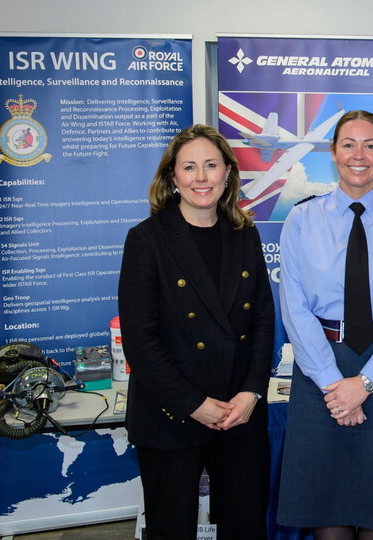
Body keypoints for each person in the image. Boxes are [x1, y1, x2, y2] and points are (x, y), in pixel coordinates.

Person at [276, 110, 373, 540]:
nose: (358, 155)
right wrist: (335, 384)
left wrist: (363, 384)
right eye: (348, 144)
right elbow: (295, 310)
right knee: (328, 518)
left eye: (370, 146)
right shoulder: (301, 220)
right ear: (333, 153)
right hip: (320, 370)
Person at [117, 124, 274, 539]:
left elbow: (262, 321)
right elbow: (140, 340)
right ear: (173, 177)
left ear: (228, 174)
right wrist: (193, 403)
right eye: (190, 167)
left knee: (246, 527)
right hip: (170, 415)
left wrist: (251, 392)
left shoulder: (246, 235)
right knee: (172, 531)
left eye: (211, 165)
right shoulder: (146, 240)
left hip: (238, 413)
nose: (201, 178)